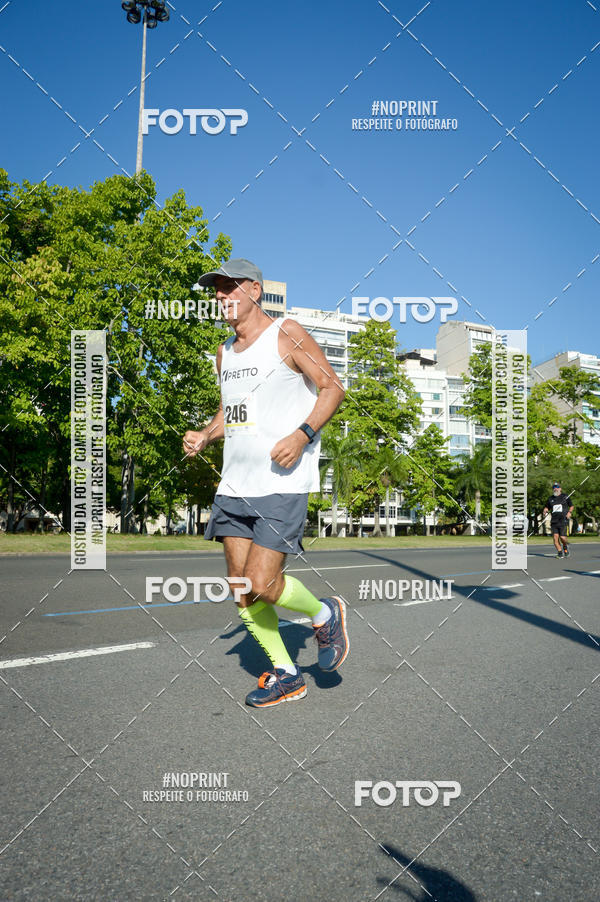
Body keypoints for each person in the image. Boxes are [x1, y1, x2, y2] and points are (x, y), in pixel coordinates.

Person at [183, 259, 348, 707]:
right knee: (241, 589)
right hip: (234, 485)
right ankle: (287, 675)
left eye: (230, 286)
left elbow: (332, 386)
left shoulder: (286, 333)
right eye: (217, 290)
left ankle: (323, 613)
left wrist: (302, 435)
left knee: (260, 581)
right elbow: (231, 411)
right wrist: (206, 434)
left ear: (254, 290)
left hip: (281, 483)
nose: (222, 296)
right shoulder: (225, 353)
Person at [543, 482, 574, 558]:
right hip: (554, 521)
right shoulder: (550, 499)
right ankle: (560, 552)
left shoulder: (565, 496)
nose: (555, 489)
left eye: (557, 487)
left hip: (563, 520)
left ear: (560, 489)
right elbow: (547, 507)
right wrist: (545, 510)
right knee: (555, 538)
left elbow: (571, 506)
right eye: (554, 487)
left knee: (562, 537)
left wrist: (569, 512)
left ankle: (565, 547)